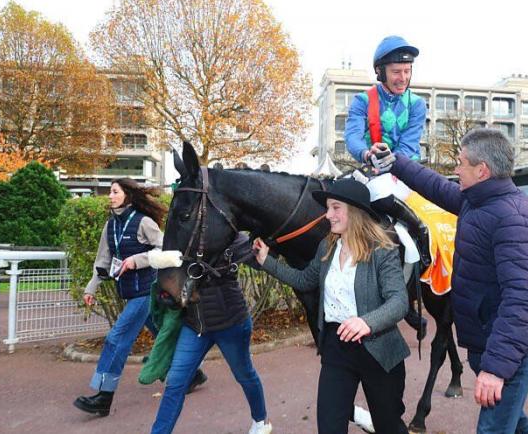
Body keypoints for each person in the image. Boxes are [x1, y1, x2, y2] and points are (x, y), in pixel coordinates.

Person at [373, 128, 528, 433]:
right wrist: (396, 161)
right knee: (514, 422)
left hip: (510, 354)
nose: (455, 168)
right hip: (490, 344)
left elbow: (522, 299)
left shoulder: (512, 218)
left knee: (494, 428)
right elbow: (436, 186)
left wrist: (495, 369)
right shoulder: (477, 201)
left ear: (482, 170)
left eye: (460, 162)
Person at [253, 179, 410, 434]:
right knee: (329, 426)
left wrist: (366, 322)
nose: (328, 215)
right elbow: (305, 280)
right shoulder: (327, 246)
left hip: (379, 351)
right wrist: (266, 261)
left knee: (389, 427)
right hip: (337, 348)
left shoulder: (382, 250)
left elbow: (399, 302)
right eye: (328, 208)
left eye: (335, 208)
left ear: (355, 212)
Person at [73, 179, 206, 417]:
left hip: (148, 291)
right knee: (160, 334)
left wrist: (138, 261)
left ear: (128, 196)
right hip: (129, 292)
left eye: (115, 192)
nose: (110, 196)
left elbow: (164, 250)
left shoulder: (143, 222)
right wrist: (91, 288)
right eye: (110, 192)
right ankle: (194, 374)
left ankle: (104, 396)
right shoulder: (110, 226)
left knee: (116, 339)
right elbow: (102, 261)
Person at [150, 233, 272, 434]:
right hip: (195, 326)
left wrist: (264, 250)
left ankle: (261, 421)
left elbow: (259, 262)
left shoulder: (233, 238)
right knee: (175, 382)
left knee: (244, 375)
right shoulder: (184, 238)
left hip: (230, 324)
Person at [344, 35, 426, 167]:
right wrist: (367, 155)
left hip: (408, 171)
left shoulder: (417, 104)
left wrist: (389, 162)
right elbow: (353, 136)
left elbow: (408, 144)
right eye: (396, 72)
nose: (403, 78)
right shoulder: (362, 101)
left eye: (407, 71)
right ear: (380, 71)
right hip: (373, 169)